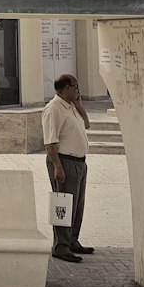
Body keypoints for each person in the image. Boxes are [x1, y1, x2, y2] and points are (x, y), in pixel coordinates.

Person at [42, 73, 94, 263]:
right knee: (63, 204)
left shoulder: (70, 106)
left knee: (77, 205)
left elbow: (86, 124)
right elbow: (50, 142)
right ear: (65, 89)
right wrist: (57, 167)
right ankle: (60, 246)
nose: (78, 90)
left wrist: (79, 105)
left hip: (79, 163)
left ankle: (72, 240)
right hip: (64, 162)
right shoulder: (54, 109)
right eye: (75, 86)